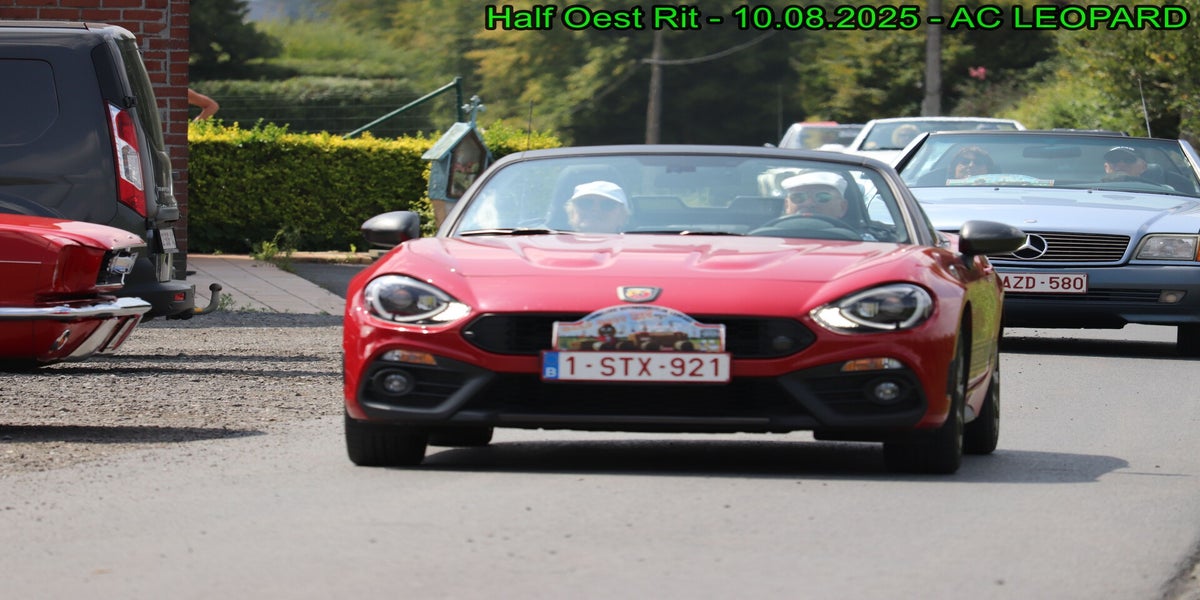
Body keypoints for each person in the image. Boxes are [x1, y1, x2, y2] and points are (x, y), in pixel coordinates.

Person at [780, 171, 850, 219]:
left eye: (822, 197)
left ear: (842, 207)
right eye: (798, 197)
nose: (808, 203)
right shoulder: (774, 234)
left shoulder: (852, 236)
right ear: (787, 205)